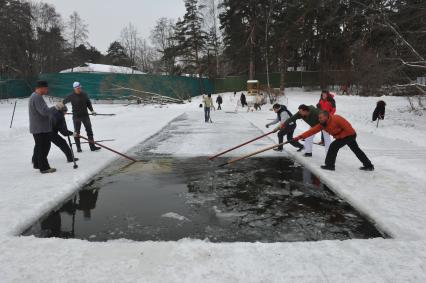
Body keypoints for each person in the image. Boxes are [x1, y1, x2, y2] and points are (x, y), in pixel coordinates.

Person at [293, 111, 374, 171]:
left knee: (333, 146)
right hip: (343, 136)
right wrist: (299, 137)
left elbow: (348, 128)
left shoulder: (336, 118)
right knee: (356, 150)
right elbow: (312, 131)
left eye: (320, 118)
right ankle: (368, 165)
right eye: (319, 118)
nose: (319, 119)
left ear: (326, 116)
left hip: (350, 134)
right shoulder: (322, 124)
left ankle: (330, 165)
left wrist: (340, 137)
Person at [63, 82, 100, 152]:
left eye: (80, 88)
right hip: (76, 117)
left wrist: (92, 111)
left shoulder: (84, 94)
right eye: (77, 88)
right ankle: (78, 148)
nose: (79, 89)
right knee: (76, 132)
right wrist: (62, 111)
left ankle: (92, 146)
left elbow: (88, 103)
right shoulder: (71, 96)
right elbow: (63, 102)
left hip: (85, 116)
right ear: (74, 89)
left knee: (89, 131)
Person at [29, 80, 56, 174]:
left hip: (38, 128)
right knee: (44, 147)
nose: (47, 90)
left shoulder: (34, 96)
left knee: (39, 146)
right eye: (46, 88)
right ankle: (44, 168)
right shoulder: (37, 97)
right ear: (41, 88)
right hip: (40, 128)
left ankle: (37, 163)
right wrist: (56, 107)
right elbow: (44, 112)